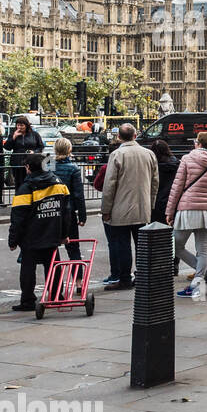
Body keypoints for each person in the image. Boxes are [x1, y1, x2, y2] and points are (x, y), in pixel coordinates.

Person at [167, 131, 207, 299]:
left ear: (200, 144)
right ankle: (200, 280)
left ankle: (204, 276)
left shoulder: (188, 159)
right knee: (202, 248)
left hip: (187, 208)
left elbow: (177, 187)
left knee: (175, 246)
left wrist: (169, 211)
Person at [8, 153, 75, 312]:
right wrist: (64, 234)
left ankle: (28, 301)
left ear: (28, 168)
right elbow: (66, 212)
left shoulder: (26, 188)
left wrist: (13, 240)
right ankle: (57, 296)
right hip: (53, 234)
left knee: (28, 269)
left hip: (31, 237)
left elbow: (18, 217)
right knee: (53, 266)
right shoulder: (58, 184)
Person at [100, 123, 158, 290]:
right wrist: (151, 204)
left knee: (122, 245)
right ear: (135, 135)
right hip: (143, 207)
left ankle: (125, 278)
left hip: (121, 208)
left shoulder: (117, 154)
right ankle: (142, 276)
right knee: (142, 245)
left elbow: (109, 185)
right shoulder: (149, 154)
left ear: (119, 137)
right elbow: (155, 182)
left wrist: (106, 210)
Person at [51, 139, 86, 260]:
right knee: (73, 246)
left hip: (50, 209)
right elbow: (78, 194)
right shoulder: (73, 168)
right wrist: (82, 216)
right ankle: (78, 278)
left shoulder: (47, 164)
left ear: (55, 149)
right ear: (69, 150)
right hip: (68, 211)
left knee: (52, 248)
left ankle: (55, 278)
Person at [5, 116, 46, 197]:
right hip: (17, 162)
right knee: (19, 182)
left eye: (22, 125)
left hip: (31, 161)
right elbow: (7, 147)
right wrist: (13, 137)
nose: (19, 127)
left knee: (30, 181)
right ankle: (19, 199)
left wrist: (34, 152)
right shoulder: (13, 134)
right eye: (18, 125)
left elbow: (40, 147)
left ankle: (30, 199)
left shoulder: (34, 134)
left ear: (26, 125)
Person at [151, 140, 179, 226]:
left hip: (155, 203)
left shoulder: (152, 166)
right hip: (172, 202)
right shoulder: (177, 164)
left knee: (156, 231)